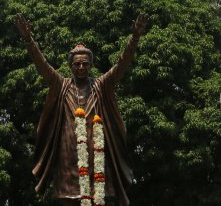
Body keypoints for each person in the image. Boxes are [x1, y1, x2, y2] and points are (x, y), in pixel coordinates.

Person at [15, 13, 148, 206]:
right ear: (70, 66)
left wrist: (134, 37)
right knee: (68, 199)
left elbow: (121, 64)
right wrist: (28, 39)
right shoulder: (61, 85)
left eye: (85, 64)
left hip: (96, 149)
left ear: (91, 65)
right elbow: (42, 65)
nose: (81, 67)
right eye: (77, 64)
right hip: (67, 151)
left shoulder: (101, 85)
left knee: (98, 197)